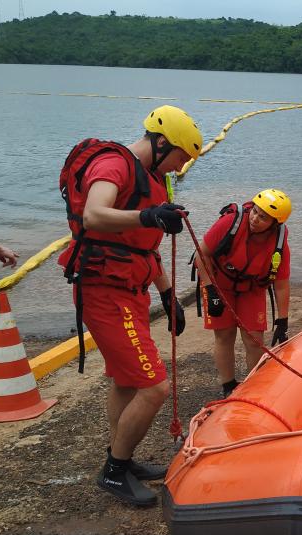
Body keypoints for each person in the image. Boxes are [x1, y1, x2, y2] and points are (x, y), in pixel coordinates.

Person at [57, 105, 202, 506]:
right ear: (161, 143)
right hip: (104, 290)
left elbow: (145, 249)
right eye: (180, 157)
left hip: (131, 289)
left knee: (126, 380)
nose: (179, 167)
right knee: (154, 388)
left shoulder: (153, 177)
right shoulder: (113, 164)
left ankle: (121, 456)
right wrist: (149, 215)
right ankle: (115, 471)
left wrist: (168, 294)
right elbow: (94, 214)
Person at [195, 188, 292, 398]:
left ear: (275, 224)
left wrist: (282, 320)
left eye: (263, 218)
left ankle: (254, 388)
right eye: (255, 212)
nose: (255, 219)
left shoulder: (279, 243)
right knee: (224, 335)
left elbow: (281, 283)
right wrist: (209, 289)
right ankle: (228, 386)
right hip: (218, 284)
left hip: (252, 289)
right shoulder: (231, 223)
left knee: (254, 339)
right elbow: (201, 253)